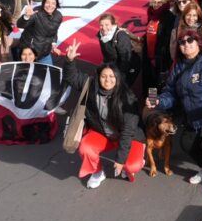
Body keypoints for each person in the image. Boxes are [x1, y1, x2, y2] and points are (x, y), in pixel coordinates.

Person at [151, 28, 202, 194]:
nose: (186, 45)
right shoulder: (178, 66)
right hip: (194, 117)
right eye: (182, 42)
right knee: (187, 144)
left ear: (198, 42)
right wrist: (159, 101)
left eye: (190, 40)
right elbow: (171, 92)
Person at [56, 39, 144, 188]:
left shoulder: (128, 98)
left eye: (111, 77)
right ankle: (97, 172)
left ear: (117, 79)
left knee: (132, 166)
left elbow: (128, 131)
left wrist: (120, 159)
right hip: (102, 133)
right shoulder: (91, 85)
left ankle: (132, 162)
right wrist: (69, 61)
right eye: (104, 76)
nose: (107, 80)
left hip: (127, 136)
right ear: (98, 77)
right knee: (86, 148)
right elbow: (72, 77)